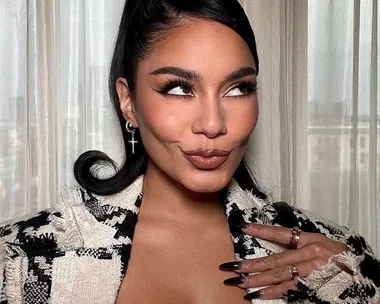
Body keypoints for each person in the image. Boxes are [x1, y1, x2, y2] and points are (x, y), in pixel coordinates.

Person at [0, 0, 379, 303]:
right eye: (179, 89)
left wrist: (358, 291)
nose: (213, 124)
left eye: (238, 88)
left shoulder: (334, 259)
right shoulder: (22, 261)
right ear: (128, 101)